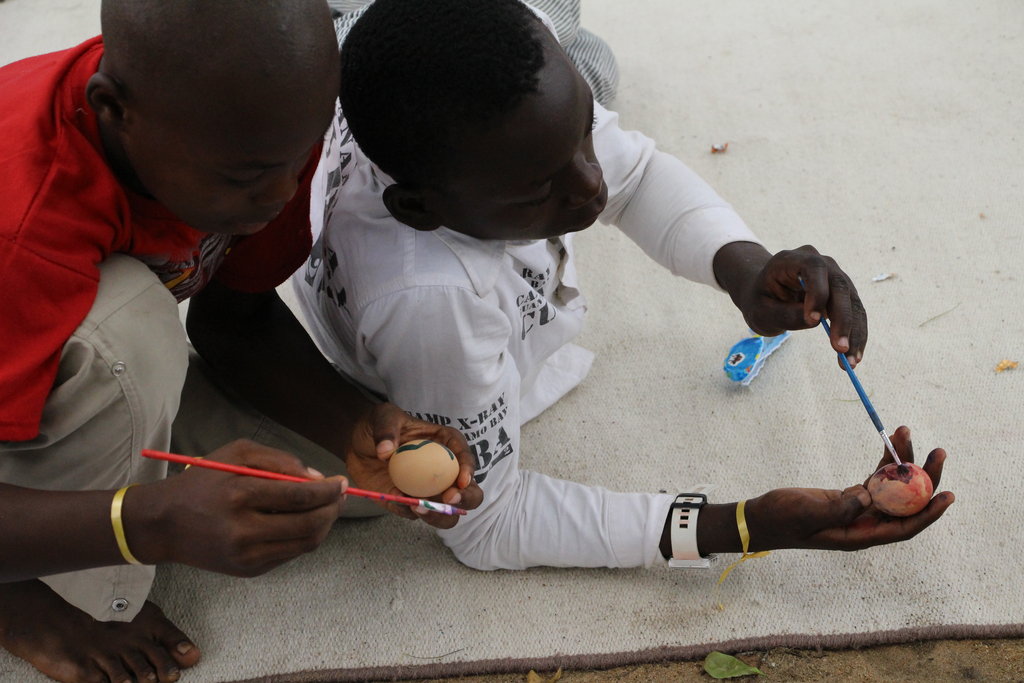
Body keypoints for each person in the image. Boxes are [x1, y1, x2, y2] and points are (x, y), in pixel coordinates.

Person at [291, 0, 954, 573]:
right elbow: (486, 523)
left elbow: (632, 179)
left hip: (372, 32)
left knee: (586, 63)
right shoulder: (432, 301)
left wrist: (745, 268)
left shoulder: (508, 139)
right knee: (594, 61)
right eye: (540, 188)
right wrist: (742, 525)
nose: (592, 185)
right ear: (418, 207)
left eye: (585, 132)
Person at [0, 1, 479, 681]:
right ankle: (22, 596)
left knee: (346, 485)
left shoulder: (257, 124)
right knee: (130, 329)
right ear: (114, 109)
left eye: (297, 158)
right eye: (246, 175)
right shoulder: (22, 227)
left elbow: (235, 320)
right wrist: (153, 521)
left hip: (30, 355)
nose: (283, 193)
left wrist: (354, 427)